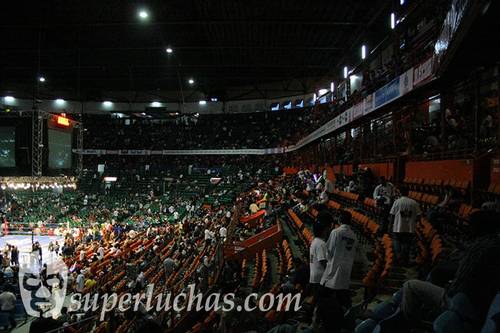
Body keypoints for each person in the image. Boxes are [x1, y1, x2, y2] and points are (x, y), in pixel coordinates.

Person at [317, 210, 358, 333]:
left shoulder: (336, 232)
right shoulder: (354, 235)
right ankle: (347, 321)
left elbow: (329, 250)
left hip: (334, 268)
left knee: (323, 295)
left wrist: (330, 260)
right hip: (346, 269)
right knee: (343, 296)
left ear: (340, 220)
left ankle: (322, 321)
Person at [389, 186, 422, 265]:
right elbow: (419, 215)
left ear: (400, 193)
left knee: (396, 241)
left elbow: (392, 215)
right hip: (409, 227)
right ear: (408, 193)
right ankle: (404, 260)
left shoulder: (397, 202)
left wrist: (390, 226)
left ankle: (398, 257)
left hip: (398, 226)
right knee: (406, 244)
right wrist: (415, 221)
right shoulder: (414, 202)